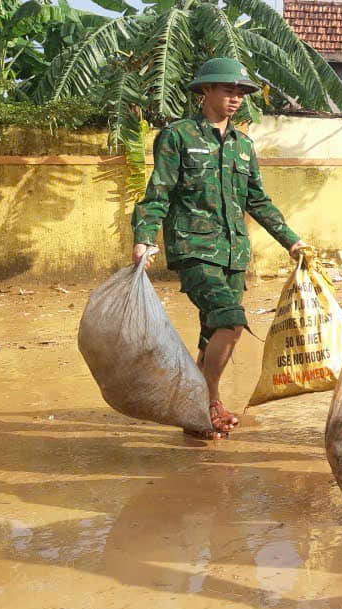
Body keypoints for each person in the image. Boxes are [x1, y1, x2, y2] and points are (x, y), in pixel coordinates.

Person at [131, 58, 306, 440]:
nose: (236, 98)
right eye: (228, 90)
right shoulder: (178, 136)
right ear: (205, 91)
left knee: (212, 334)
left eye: (241, 91)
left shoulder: (244, 145)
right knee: (230, 319)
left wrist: (291, 240)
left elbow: (257, 200)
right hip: (194, 249)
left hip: (233, 253)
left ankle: (194, 411)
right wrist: (143, 237)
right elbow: (158, 191)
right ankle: (210, 401)